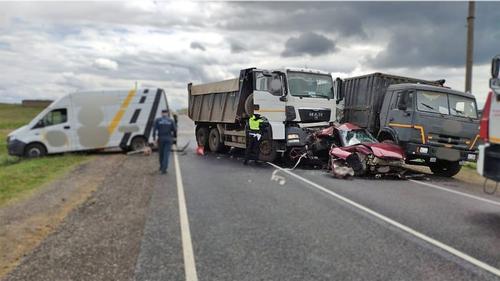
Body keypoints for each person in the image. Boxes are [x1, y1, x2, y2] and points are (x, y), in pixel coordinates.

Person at [153, 110, 177, 174]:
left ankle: (161, 167)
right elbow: (175, 130)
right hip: (168, 139)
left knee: (161, 154)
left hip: (160, 139)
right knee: (166, 154)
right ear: (167, 114)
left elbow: (154, 130)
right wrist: (174, 139)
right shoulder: (171, 120)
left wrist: (154, 139)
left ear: (161, 113)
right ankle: (164, 169)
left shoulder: (157, 120)